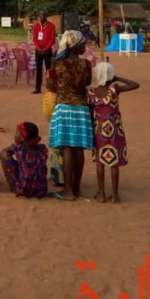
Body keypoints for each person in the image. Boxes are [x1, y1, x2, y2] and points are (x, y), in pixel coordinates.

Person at [47, 30, 92, 201]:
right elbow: (86, 83)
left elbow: (52, 86)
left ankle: (67, 190)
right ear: (76, 45)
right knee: (79, 149)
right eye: (83, 44)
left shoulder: (57, 63)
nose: (85, 47)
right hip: (81, 108)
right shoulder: (86, 64)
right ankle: (77, 187)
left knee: (66, 149)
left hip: (64, 107)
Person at [87, 63, 138, 204]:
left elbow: (91, 114)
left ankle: (101, 194)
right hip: (115, 129)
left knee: (100, 162)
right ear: (110, 76)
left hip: (99, 128)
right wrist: (117, 78)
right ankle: (115, 195)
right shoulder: (114, 90)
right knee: (114, 163)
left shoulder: (92, 92)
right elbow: (135, 84)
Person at [0, 122, 49, 198]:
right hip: (42, 190)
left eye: (17, 133)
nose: (15, 135)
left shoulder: (19, 148)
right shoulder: (43, 148)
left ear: (23, 138)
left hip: (24, 191)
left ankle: (12, 187)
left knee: (4, 154)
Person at [30, 11, 56, 94]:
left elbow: (52, 39)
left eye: (44, 14)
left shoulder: (51, 26)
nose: (43, 16)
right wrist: (39, 49)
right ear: (39, 16)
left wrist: (45, 49)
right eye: (41, 14)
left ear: (46, 16)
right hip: (39, 50)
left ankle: (50, 88)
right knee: (39, 69)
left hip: (47, 50)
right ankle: (37, 88)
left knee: (49, 69)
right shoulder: (36, 26)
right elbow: (34, 39)